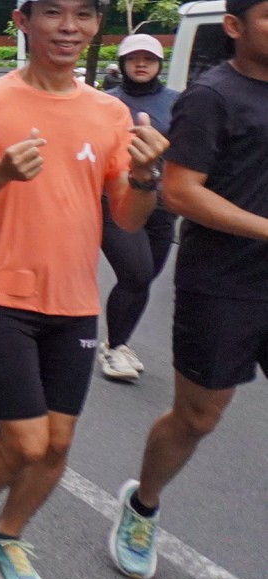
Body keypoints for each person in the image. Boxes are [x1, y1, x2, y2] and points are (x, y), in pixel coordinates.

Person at [0, 0, 167, 579]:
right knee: (25, 441)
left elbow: (127, 218)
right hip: (0, 294)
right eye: (53, 13)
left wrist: (147, 178)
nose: (69, 27)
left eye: (82, 15)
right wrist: (1, 173)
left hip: (75, 302)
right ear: (22, 22)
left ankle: (8, 537)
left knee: (57, 443)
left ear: (96, 26)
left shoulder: (110, 112)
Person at [109, 0, 268, 579]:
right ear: (233, 27)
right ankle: (143, 505)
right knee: (198, 416)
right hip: (224, 283)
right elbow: (180, 193)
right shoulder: (211, 97)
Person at [98, 33, 180, 381]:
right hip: (115, 202)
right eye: (134, 58)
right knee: (137, 273)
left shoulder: (178, 102)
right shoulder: (105, 102)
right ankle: (115, 349)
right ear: (123, 64)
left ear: (160, 64)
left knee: (144, 279)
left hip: (162, 204)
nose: (141, 64)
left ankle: (118, 341)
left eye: (149, 59)